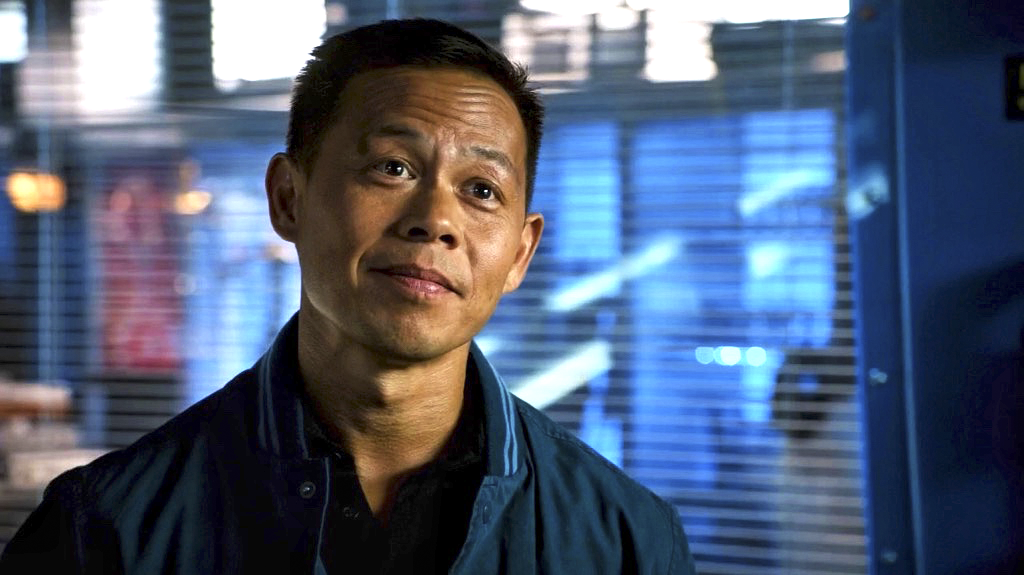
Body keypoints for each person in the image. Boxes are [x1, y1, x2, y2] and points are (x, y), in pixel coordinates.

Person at [0, 18, 695, 574]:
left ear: (519, 253)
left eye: (482, 190)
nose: (436, 220)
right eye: (393, 167)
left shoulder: (626, 540)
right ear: (288, 198)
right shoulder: (107, 529)